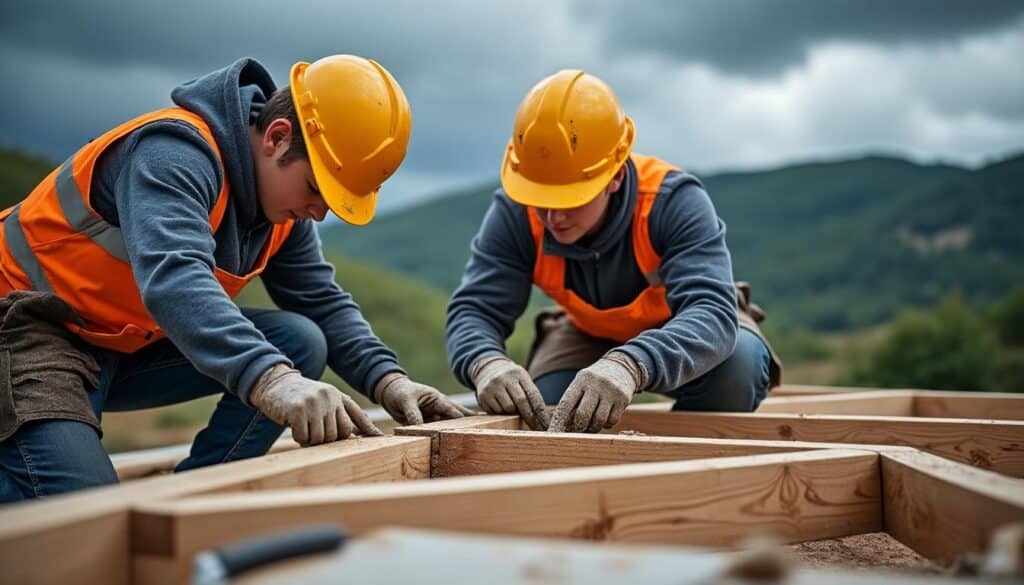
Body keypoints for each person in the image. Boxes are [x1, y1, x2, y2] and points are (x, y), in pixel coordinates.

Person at [0, 55, 471, 503]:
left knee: (300, 341)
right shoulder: (173, 154)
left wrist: (389, 381)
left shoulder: (282, 211)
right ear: (277, 137)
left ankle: (190, 504)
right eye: (316, 188)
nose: (319, 212)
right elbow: (177, 279)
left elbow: (322, 302)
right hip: (26, 333)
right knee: (86, 516)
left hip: (119, 346)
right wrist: (271, 380)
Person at [446, 69, 781, 433]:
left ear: (616, 176)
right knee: (546, 410)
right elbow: (475, 309)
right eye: (541, 198)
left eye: (571, 198)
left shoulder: (672, 202)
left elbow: (711, 312)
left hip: (684, 326)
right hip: (585, 332)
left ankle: (689, 460)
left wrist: (631, 363)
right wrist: (485, 362)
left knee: (738, 369)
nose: (552, 216)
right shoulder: (516, 213)